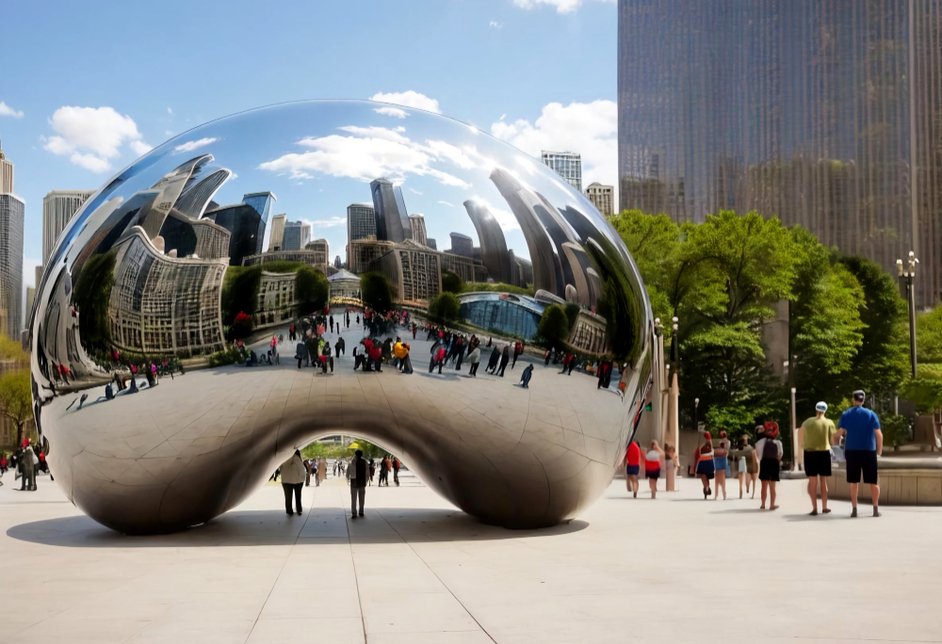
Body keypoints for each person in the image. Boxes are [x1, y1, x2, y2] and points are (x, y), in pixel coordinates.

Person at [835, 390, 883, 518]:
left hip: (852, 451)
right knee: (873, 482)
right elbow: (879, 435)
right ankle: (875, 509)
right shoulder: (871, 414)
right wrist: (879, 451)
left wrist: (835, 444)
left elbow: (839, 433)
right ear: (863, 400)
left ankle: (854, 509)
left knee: (854, 482)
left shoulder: (847, 414)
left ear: (853, 399)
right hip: (869, 451)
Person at [800, 401, 837, 515]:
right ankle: (825, 507)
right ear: (825, 410)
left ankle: (814, 508)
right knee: (823, 481)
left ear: (816, 409)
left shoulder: (807, 422)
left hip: (810, 453)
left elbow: (801, 439)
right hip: (824, 453)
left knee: (812, 482)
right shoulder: (829, 422)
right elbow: (833, 441)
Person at [756, 422, 783, 510]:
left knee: (764, 486)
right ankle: (772, 504)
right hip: (774, 463)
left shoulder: (760, 442)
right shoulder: (778, 442)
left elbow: (759, 455)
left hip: (764, 462)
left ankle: (763, 504)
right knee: (773, 486)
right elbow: (780, 454)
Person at [279, 449, 306, 516]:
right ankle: (299, 509)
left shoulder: (283, 458)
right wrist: (303, 479)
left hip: (286, 481)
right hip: (298, 481)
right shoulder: (296, 458)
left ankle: (289, 510)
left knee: (288, 497)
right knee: (298, 496)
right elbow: (301, 470)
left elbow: (281, 469)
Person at [347, 449, 367, 519]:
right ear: (361, 455)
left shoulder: (351, 462)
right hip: (362, 482)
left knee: (353, 498)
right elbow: (367, 472)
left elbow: (347, 472)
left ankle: (354, 513)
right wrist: (366, 481)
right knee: (361, 498)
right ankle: (361, 511)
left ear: (355, 454)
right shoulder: (364, 462)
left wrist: (348, 480)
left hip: (354, 482)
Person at [695, 433, 715, 499]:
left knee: (703, 475)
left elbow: (699, 451)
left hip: (703, 461)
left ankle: (706, 487)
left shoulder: (703, 443)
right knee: (707, 476)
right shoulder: (710, 443)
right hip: (709, 461)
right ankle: (707, 487)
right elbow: (712, 452)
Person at [712, 430, 730, 500]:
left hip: (721, 460)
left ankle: (720, 494)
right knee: (720, 477)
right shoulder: (726, 442)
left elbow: (726, 451)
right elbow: (726, 451)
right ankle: (721, 494)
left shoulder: (726, 442)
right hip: (721, 459)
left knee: (719, 477)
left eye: (723, 435)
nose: (722, 436)